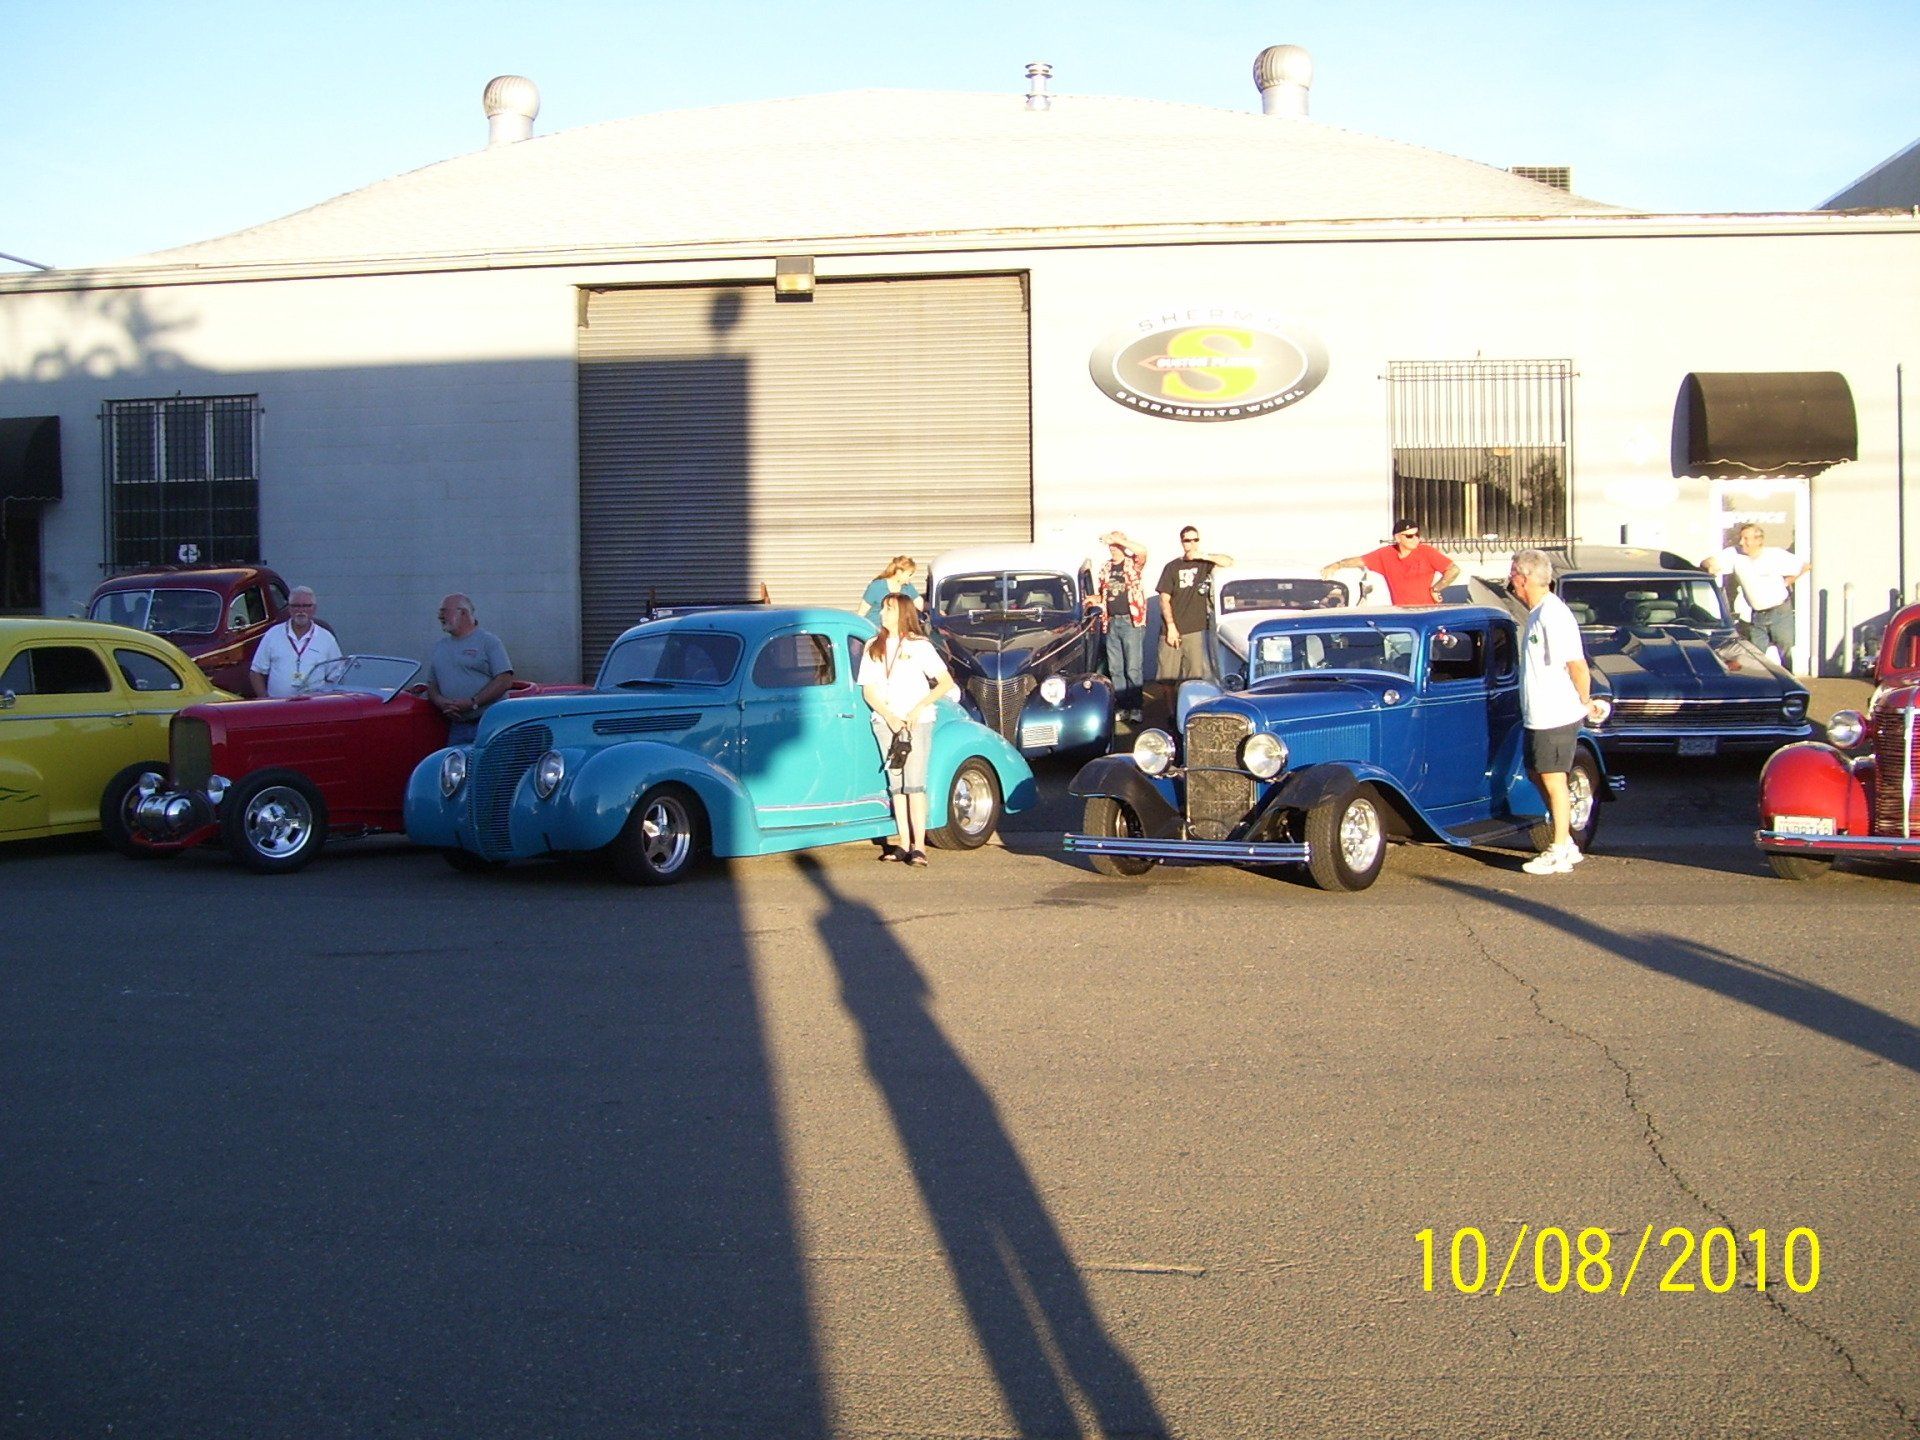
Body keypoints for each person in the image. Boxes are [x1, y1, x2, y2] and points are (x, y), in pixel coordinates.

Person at [1508, 549, 1607, 876]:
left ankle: (1561, 846)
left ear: (1523, 579)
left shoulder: (1553, 614)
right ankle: (1564, 841)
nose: (1511, 583)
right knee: (1540, 774)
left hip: (1555, 713)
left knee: (1553, 779)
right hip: (1538, 713)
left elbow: (1577, 665)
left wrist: (1585, 700)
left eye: (1513, 576)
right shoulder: (1537, 614)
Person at [858, 592, 956, 867]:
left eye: (888, 609)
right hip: (886, 721)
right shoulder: (872, 646)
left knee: (915, 784)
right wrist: (889, 716)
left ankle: (919, 845)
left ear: (902, 613)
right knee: (896, 785)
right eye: (882, 609)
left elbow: (945, 682)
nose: (882, 614)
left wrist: (917, 708)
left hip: (917, 721)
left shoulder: (920, 646)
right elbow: (869, 691)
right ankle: (902, 842)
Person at [1703, 523, 1810, 670]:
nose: (1741, 542)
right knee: (1754, 656)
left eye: (1746, 539)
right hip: (1757, 616)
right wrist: (1710, 566)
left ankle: (1789, 686)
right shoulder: (1734, 555)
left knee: (1785, 653)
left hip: (1780, 612)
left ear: (1759, 540)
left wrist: (1790, 580)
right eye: (1741, 538)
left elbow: (1805, 566)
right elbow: (1709, 561)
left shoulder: (1775, 555)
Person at [427, 593, 514, 744]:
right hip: (458, 726)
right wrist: (442, 703)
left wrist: (473, 702)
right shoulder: (440, 647)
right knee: (458, 766)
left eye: (444, 611)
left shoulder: (488, 642)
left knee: (492, 766)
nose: (440, 616)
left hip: (490, 724)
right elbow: (432, 685)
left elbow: (504, 679)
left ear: (463, 613)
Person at [1154, 526, 1233, 682]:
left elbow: (1228, 562)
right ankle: (1170, 707)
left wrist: (1203, 556)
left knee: (1195, 675)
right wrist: (1171, 627)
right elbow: (1164, 599)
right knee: (1167, 677)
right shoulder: (1172, 567)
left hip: (1196, 630)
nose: (1192, 543)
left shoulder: (1204, 564)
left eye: (1195, 539)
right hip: (1172, 629)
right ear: (1182, 542)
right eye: (1188, 540)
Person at [1322, 519, 1460, 606]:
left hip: (1426, 613)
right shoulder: (1386, 554)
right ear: (1398, 538)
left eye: (1417, 535)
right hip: (1401, 616)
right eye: (1410, 536)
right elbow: (1360, 561)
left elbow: (1453, 570)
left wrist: (1436, 589)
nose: (1416, 539)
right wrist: (1337, 565)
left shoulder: (1426, 552)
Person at [1091, 530, 1149, 718]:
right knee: (1116, 668)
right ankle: (1122, 706)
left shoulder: (1132, 564)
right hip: (1111, 621)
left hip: (1130, 621)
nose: (1114, 548)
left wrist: (1119, 539)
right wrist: (1094, 598)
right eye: (1112, 545)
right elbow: (1104, 594)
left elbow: (1143, 551)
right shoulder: (1106, 568)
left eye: (1118, 545)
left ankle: (1136, 707)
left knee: (1133, 667)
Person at [249, 585, 342, 698]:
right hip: (279, 708)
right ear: (289, 608)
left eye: (306, 606)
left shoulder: (326, 638)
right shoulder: (273, 634)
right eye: (296, 606)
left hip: (315, 709)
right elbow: (256, 672)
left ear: (314, 608)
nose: (301, 610)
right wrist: (265, 700)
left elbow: (338, 676)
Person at [860, 557, 922, 625]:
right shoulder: (877, 586)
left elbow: (920, 605)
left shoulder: (907, 586)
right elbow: (862, 612)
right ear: (899, 572)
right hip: (875, 629)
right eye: (910, 575)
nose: (911, 578)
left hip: (895, 630)